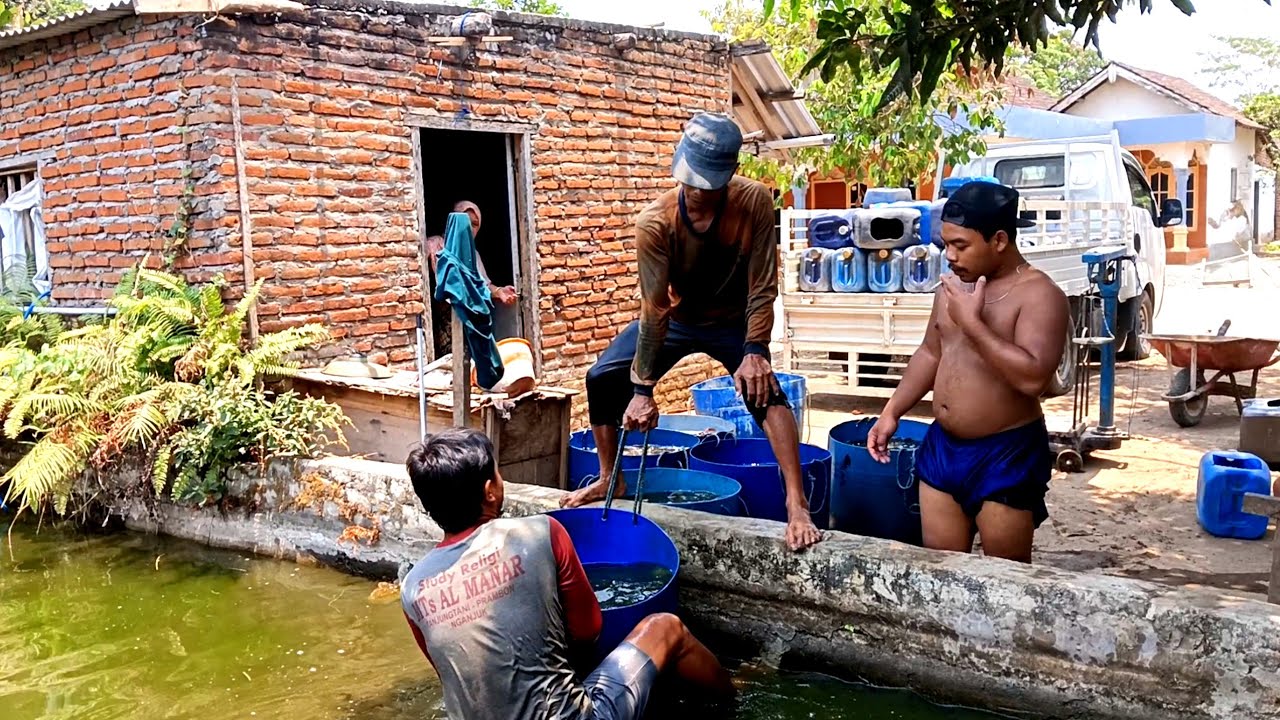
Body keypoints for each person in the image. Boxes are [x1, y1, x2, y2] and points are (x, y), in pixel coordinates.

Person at [556, 112, 820, 551]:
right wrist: (642, 389)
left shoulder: (753, 201)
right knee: (602, 378)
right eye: (690, 180)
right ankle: (609, 479)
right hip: (675, 320)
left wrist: (755, 349)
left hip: (733, 321)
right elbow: (655, 309)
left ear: (732, 173)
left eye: (708, 183)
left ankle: (797, 502)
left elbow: (763, 286)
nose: (697, 191)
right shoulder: (655, 223)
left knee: (766, 391)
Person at [402, 428, 733, 720]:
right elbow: (588, 631)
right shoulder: (541, 532)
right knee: (665, 627)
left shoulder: (413, 587)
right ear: (490, 490)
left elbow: (455, 674)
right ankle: (736, 704)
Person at [867, 181, 1069, 563]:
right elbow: (930, 352)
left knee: (1003, 581)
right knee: (942, 572)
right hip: (943, 447)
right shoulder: (951, 289)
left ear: (999, 240)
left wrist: (973, 324)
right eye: (946, 245)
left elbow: (1033, 379)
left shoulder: (1040, 295)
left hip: (1004, 454)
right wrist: (893, 411)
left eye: (961, 246)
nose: (950, 257)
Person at [426, 201, 518, 355]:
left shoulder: (474, 256)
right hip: (440, 324)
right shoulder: (436, 245)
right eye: (464, 220)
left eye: (475, 224)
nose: (469, 227)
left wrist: (499, 291)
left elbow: (484, 285)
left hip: (467, 323)